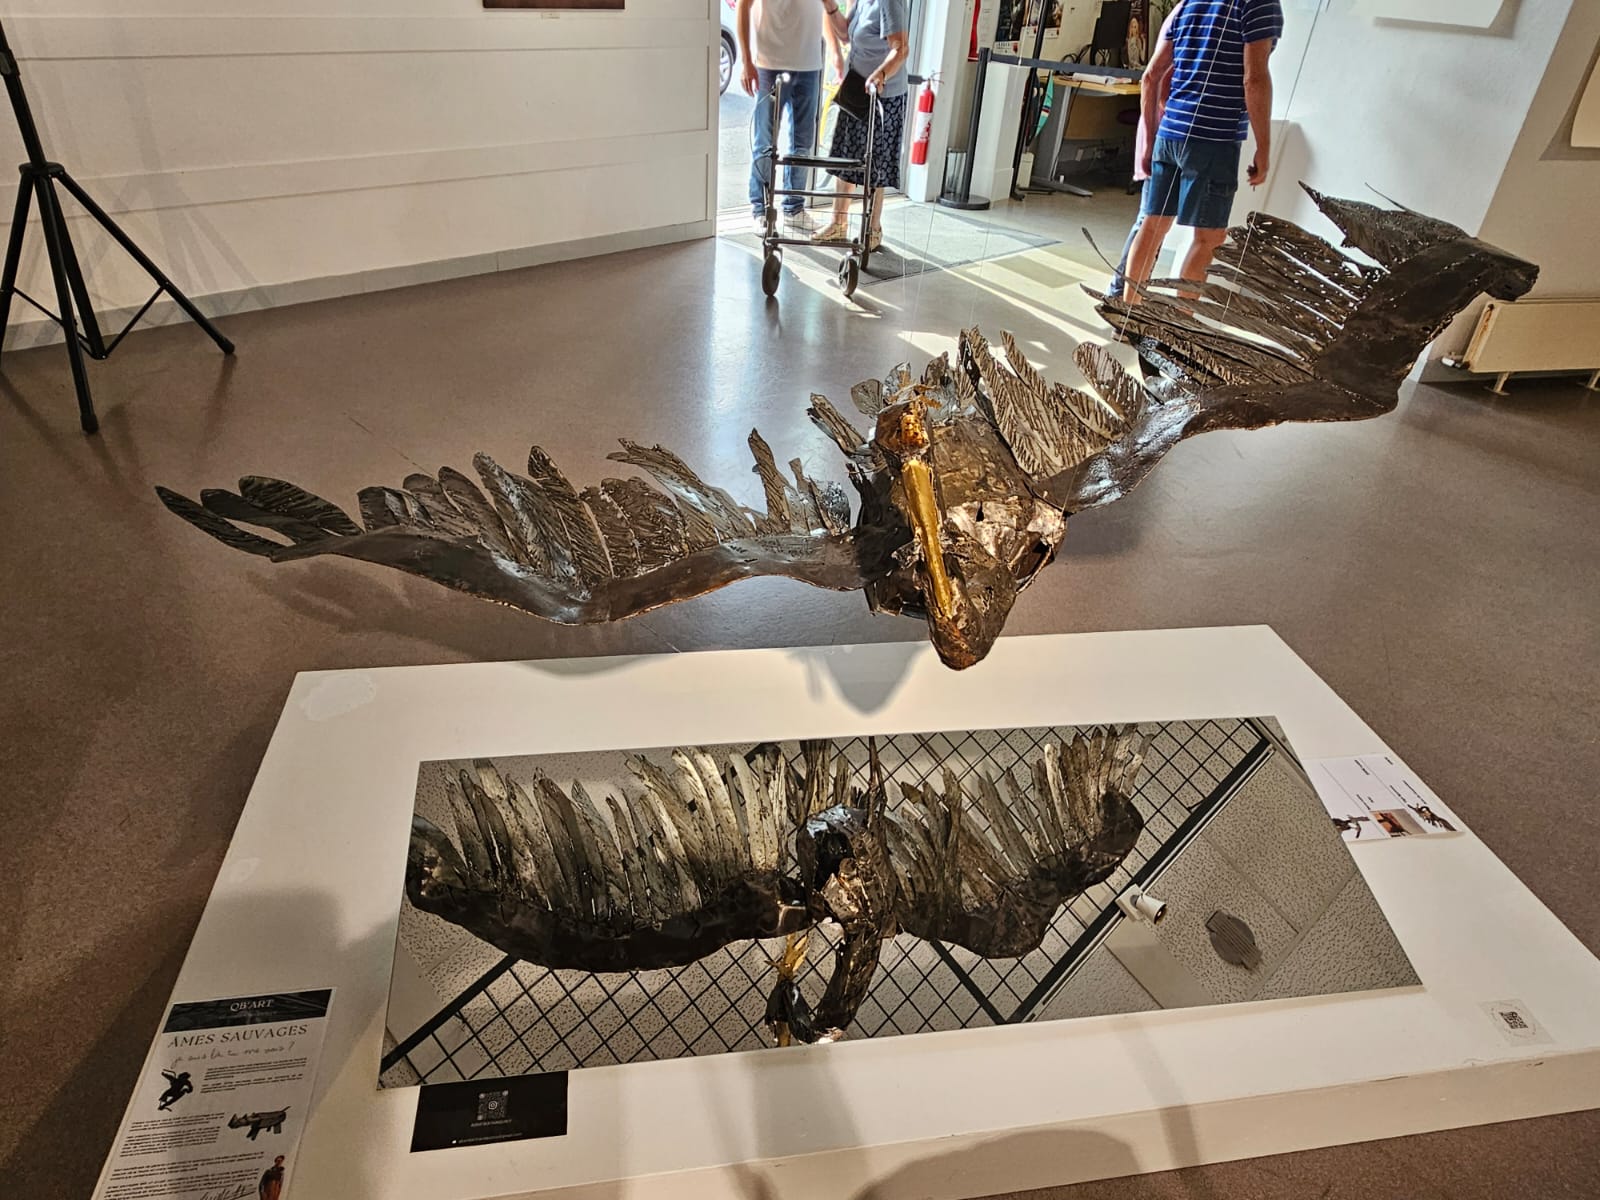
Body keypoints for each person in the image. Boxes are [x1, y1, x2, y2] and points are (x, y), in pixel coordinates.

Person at [1120, 0, 1283, 302]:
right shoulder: (1260, 5)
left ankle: (1128, 312)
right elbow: (1254, 78)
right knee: (1209, 238)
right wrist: (1264, 147)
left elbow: (1152, 76)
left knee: (1153, 226)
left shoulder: (1189, 3)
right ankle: (1181, 323)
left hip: (1171, 132)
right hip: (1214, 138)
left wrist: (1151, 140)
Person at [813, 0, 910, 249]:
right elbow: (846, 35)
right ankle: (838, 223)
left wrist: (880, 74)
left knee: (875, 162)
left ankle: (872, 229)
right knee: (845, 155)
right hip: (856, 86)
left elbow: (900, 48)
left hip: (883, 95)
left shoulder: (889, 2)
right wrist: (830, 5)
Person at [738, 0, 840, 234]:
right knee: (765, 142)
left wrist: (835, 51)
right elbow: (744, 6)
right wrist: (746, 61)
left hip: (810, 65)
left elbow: (824, 9)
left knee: (803, 143)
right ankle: (761, 210)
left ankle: (794, 209)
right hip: (769, 63)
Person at [1108, 0, 1184, 297]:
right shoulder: (1186, 15)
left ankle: (1127, 293)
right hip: (1164, 130)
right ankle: (1120, 294)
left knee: (1154, 223)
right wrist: (1152, 143)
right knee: (1151, 221)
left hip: (1163, 130)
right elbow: (1156, 81)